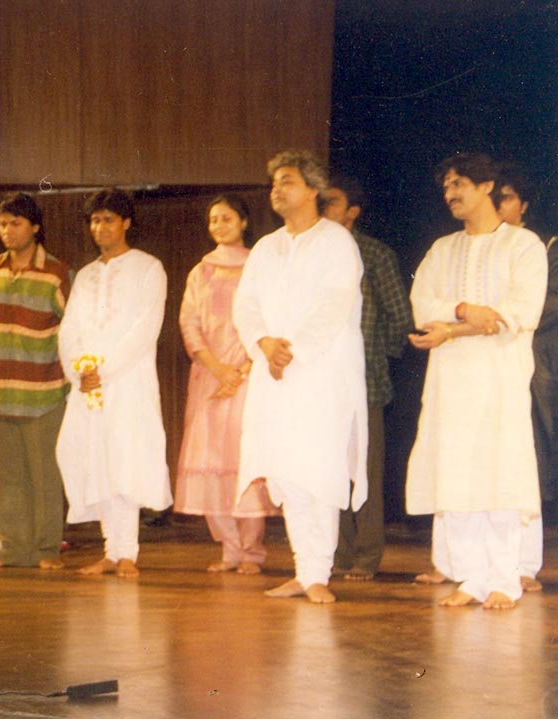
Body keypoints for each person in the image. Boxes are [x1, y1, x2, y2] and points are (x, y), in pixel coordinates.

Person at [407, 152, 546, 610]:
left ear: (487, 186)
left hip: (500, 376)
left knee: (500, 473)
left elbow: (518, 313)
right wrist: (464, 310)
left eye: (458, 184)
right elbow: (423, 302)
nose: (450, 194)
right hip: (451, 380)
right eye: (446, 187)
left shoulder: (523, 245)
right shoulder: (443, 248)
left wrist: (452, 330)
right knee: (456, 473)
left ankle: (504, 579)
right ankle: (472, 577)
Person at [232, 150, 368, 604]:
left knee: (318, 470)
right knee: (287, 472)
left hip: (320, 375)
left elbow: (334, 304)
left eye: (287, 181)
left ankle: (318, 574)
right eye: (274, 183)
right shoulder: (266, 247)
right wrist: (263, 343)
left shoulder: (336, 241)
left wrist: (291, 351)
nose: (277, 190)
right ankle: (302, 569)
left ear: (313, 189)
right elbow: (245, 305)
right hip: (274, 374)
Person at [56, 188, 173, 578]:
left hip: (127, 380)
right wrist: (79, 369)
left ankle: (127, 553)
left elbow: (146, 327)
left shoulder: (148, 267)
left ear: (126, 223)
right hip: (87, 385)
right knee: (95, 460)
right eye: (94, 220)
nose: (100, 227)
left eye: (108, 219)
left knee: (125, 460)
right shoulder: (86, 274)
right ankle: (110, 550)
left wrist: (103, 369)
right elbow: (70, 327)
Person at [176, 194, 278, 574]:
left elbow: (269, 319)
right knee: (209, 458)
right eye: (214, 220)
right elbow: (189, 323)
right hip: (209, 376)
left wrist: (243, 368)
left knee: (243, 459)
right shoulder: (201, 271)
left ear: (244, 222)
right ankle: (229, 549)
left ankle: (252, 551)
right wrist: (217, 368)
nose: (219, 225)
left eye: (227, 218)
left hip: (249, 376)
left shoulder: (259, 266)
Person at [324, 176, 411, 581]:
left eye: (332, 202)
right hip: (320, 382)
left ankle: (365, 556)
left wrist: (375, 357)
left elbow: (400, 316)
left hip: (365, 382)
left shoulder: (374, 254)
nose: (323, 207)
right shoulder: (315, 254)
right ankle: (336, 553)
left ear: (352, 212)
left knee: (365, 471)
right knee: (328, 470)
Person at [0, 193, 71, 570]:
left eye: (15, 223)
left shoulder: (56, 272)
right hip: (1, 390)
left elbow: (72, 327)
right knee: (7, 477)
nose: (7, 231)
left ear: (34, 226)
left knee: (45, 475)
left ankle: (47, 550)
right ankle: (13, 550)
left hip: (44, 390)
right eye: (2, 224)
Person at [496, 164, 554, 594]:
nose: (499, 206)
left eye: (507, 198)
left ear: (525, 204)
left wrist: (493, 318)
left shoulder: (544, 247)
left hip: (539, 368)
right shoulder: (472, 247)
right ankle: (470, 561)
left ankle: (523, 564)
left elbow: (543, 306)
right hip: (489, 366)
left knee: (528, 460)